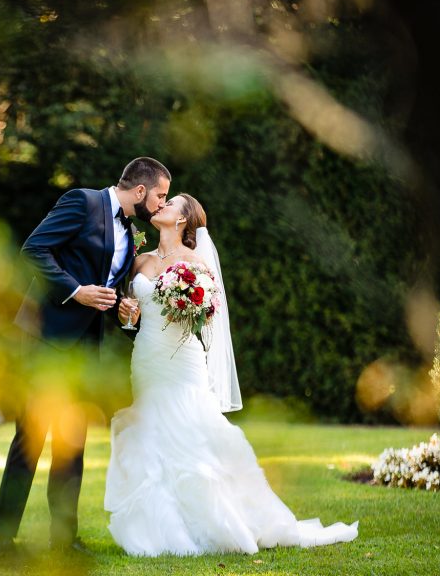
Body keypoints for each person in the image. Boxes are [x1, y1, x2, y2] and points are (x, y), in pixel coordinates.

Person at [104, 193, 359, 556]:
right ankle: (161, 529)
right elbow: (130, 317)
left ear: (182, 221)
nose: (161, 206)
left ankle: (218, 522)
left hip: (182, 364)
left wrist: (188, 305)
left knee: (190, 436)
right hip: (145, 359)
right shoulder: (140, 261)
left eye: (171, 203)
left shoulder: (196, 262)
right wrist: (126, 312)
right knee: (151, 434)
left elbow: (208, 318)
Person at [0, 157, 171, 557]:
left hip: (85, 348)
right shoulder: (83, 202)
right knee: (30, 439)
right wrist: (76, 291)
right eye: (160, 195)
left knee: (72, 444)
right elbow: (33, 248)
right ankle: (1, 540)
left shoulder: (130, 229)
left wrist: (121, 304)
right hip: (44, 341)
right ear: (139, 191)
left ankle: (64, 539)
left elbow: (106, 280)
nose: (161, 205)